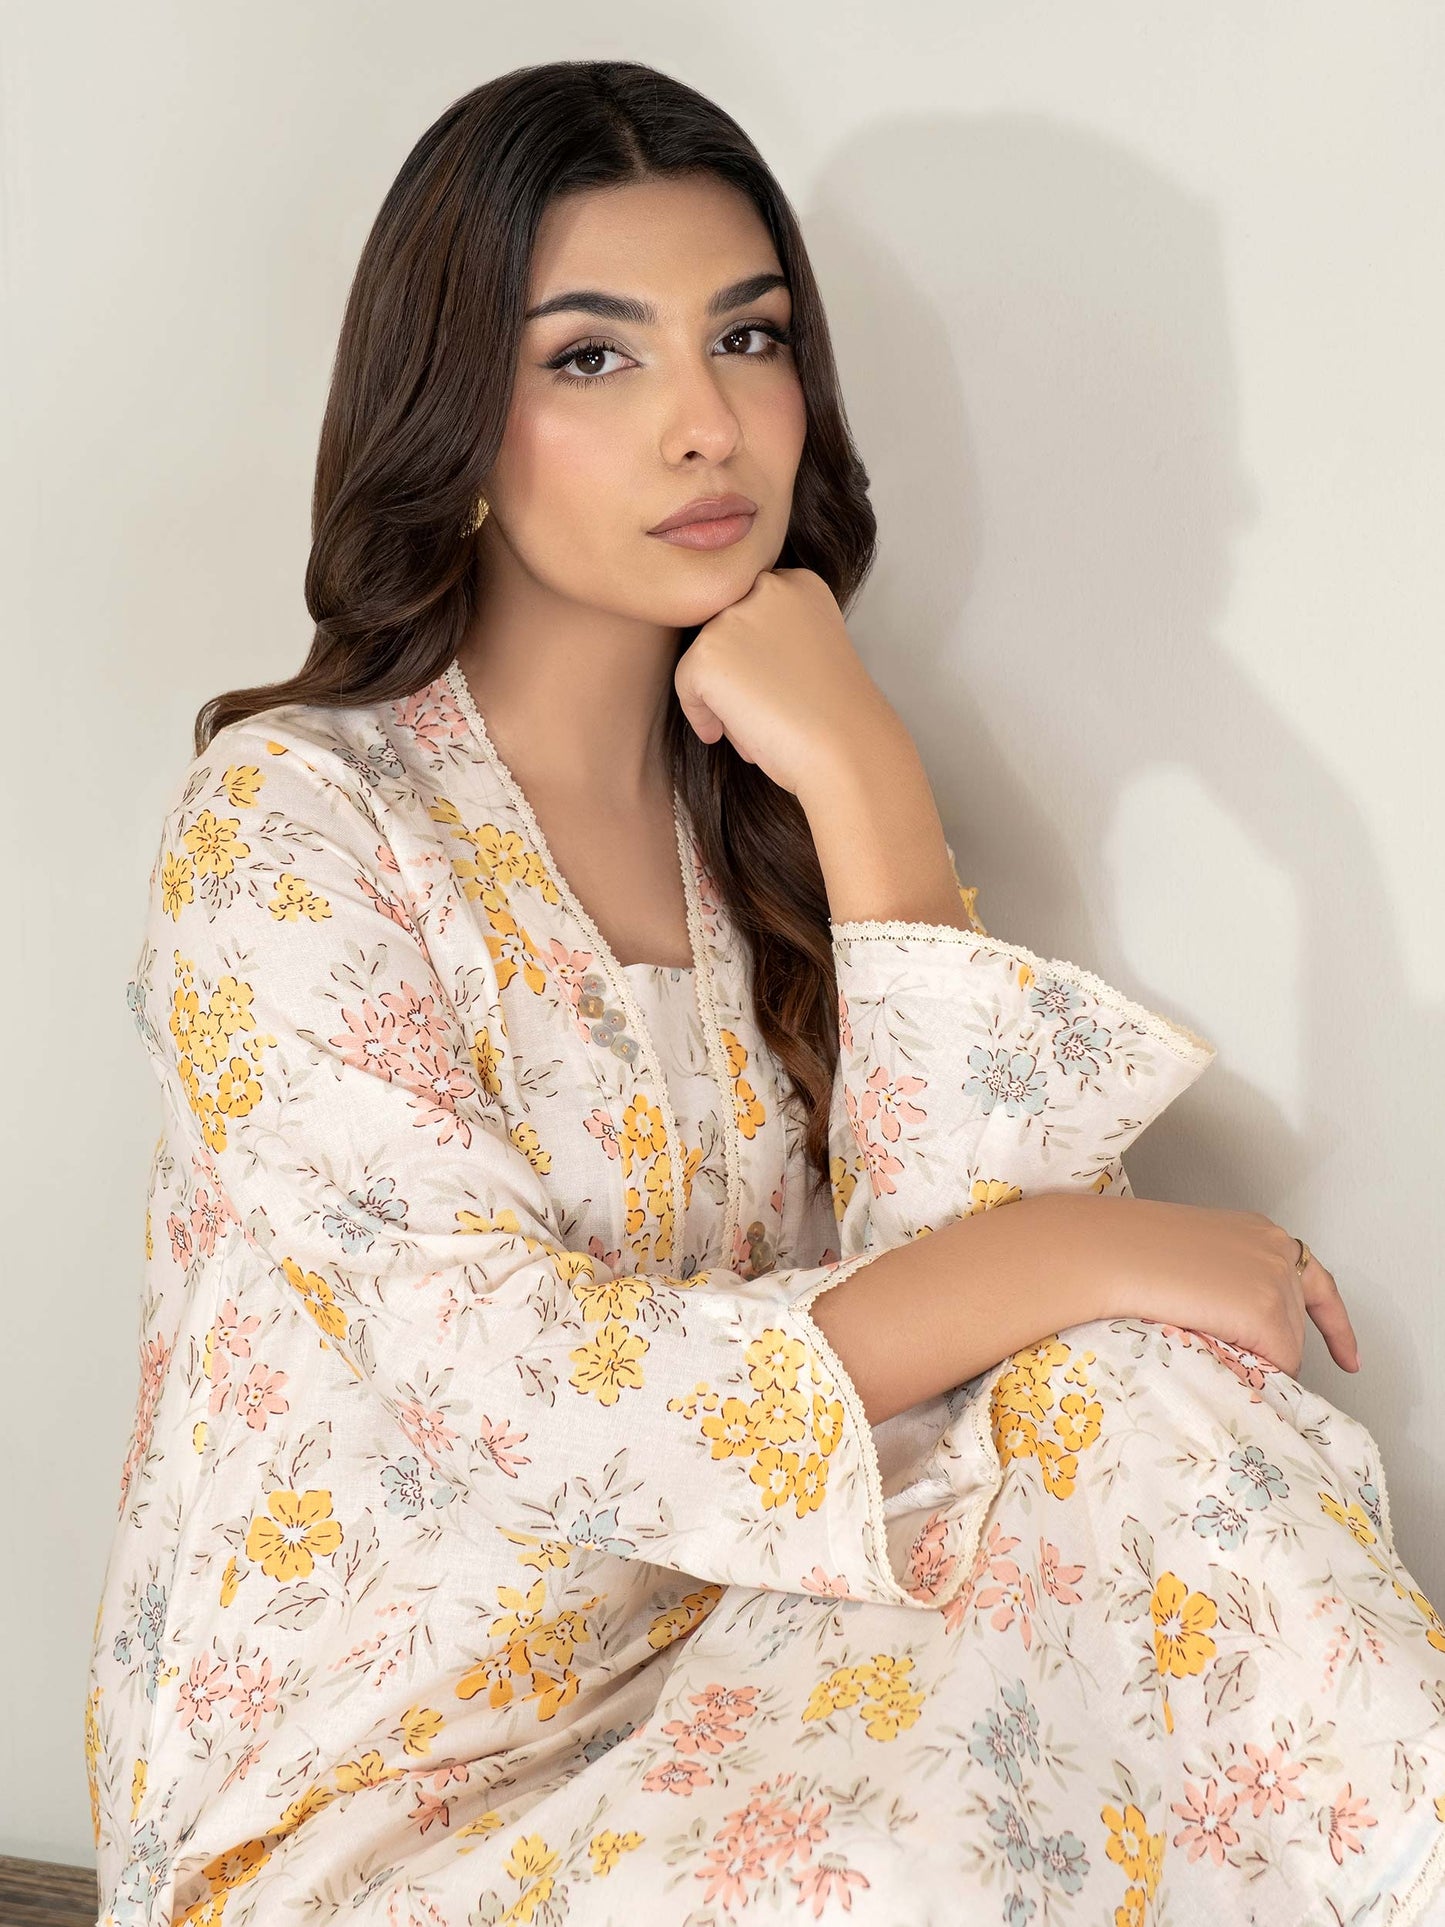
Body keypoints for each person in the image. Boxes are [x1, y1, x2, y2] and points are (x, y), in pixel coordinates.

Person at [87, 59, 1445, 1927]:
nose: (706, 425)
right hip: (365, 1817)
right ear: (450, 414)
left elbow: (984, 1323)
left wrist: (868, 786)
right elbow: (509, 1381)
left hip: (728, 1696)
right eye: (592, 357)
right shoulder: (292, 823)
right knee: (887, 1853)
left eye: (748, 338)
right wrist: (1076, 1253)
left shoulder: (763, 832)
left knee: (1119, 1394)